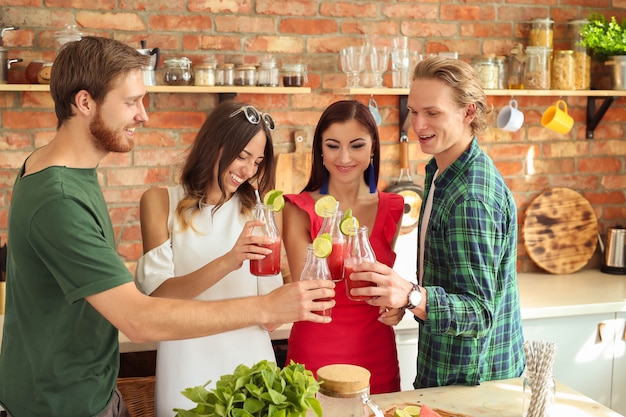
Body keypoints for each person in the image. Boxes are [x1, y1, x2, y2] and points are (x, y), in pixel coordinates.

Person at [0, 36, 335, 417]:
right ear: (84, 102)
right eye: (131, 102)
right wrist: (261, 304)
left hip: (84, 393)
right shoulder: (59, 197)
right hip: (60, 404)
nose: (144, 115)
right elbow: (140, 318)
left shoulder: (66, 172)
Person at [349, 56, 525, 388]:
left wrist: (411, 297)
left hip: (472, 386)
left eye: (432, 113)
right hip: (448, 372)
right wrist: (409, 299)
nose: (417, 124)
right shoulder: (441, 170)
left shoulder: (471, 195)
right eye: (414, 111)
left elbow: (479, 312)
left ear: (468, 112)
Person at [135, 100, 285, 416]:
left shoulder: (260, 209)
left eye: (257, 161)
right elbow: (157, 300)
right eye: (242, 155)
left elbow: (271, 312)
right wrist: (228, 261)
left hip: (251, 363)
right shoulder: (160, 202)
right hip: (186, 365)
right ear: (212, 145)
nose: (248, 170)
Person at [282, 100, 405, 394]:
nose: (345, 157)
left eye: (357, 145)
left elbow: (383, 283)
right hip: (315, 352)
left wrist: (397, 305)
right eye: (333, 145)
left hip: (376, 352)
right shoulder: (298, 208)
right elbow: (306, 290)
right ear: (320, 151)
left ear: (373, 147)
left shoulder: (394, 208)